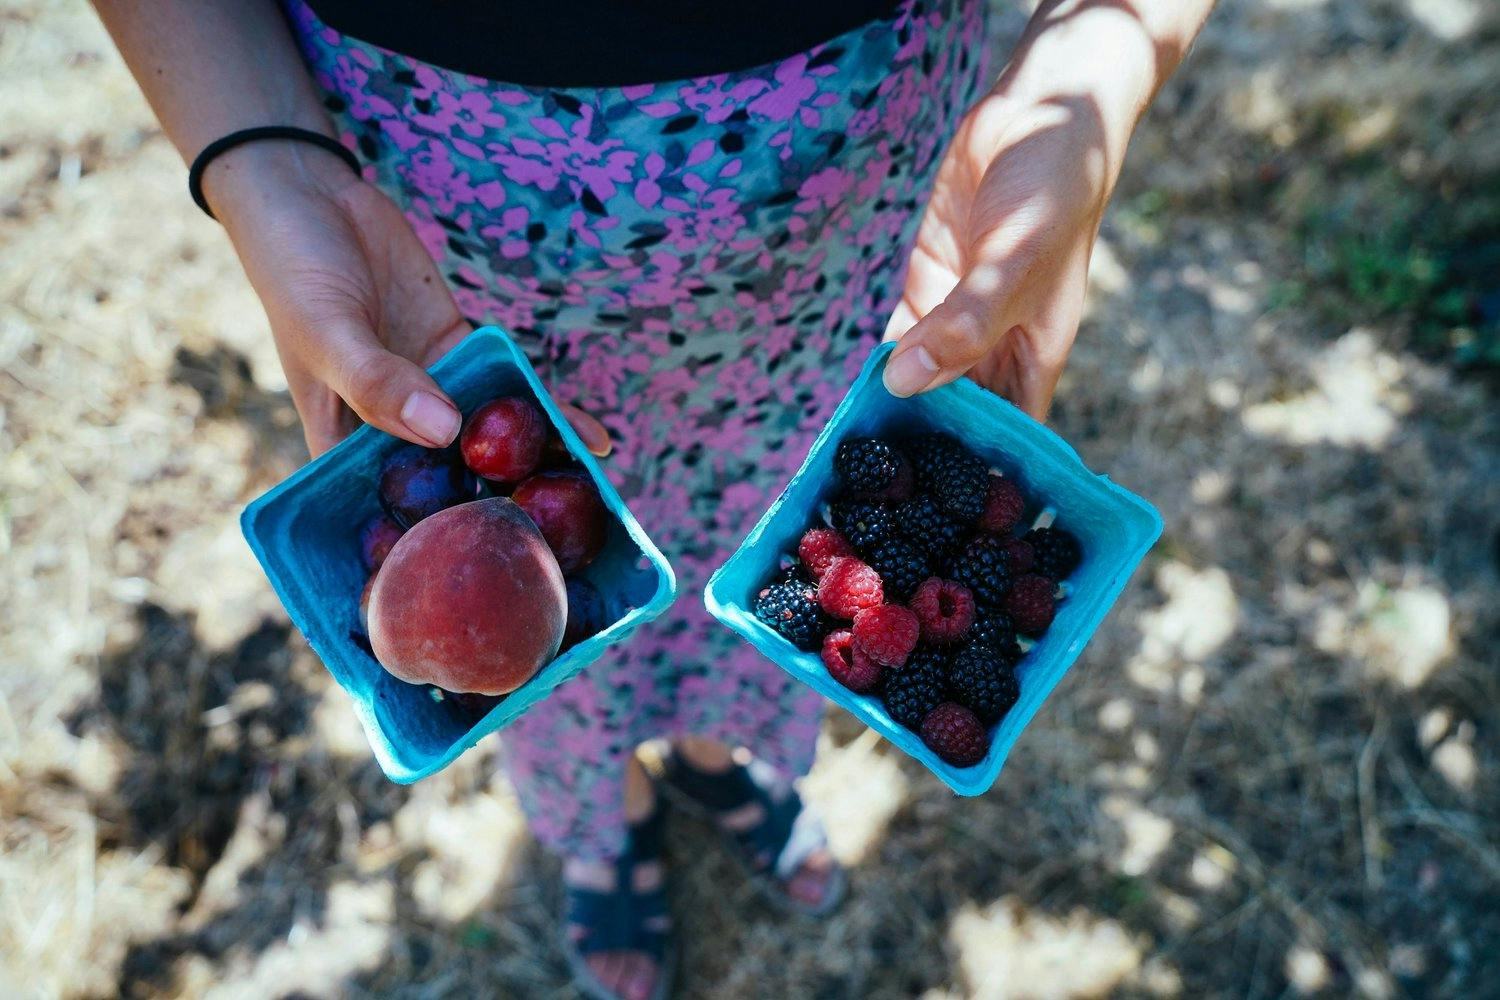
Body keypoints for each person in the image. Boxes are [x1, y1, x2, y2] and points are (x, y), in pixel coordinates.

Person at [92, 1, 1214, 997]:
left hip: (844, 186)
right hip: (448, 198)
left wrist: (1102, 52)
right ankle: (605, 817)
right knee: (547, 620)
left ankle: (719, 754)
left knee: (769, 541)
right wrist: (261, 158)